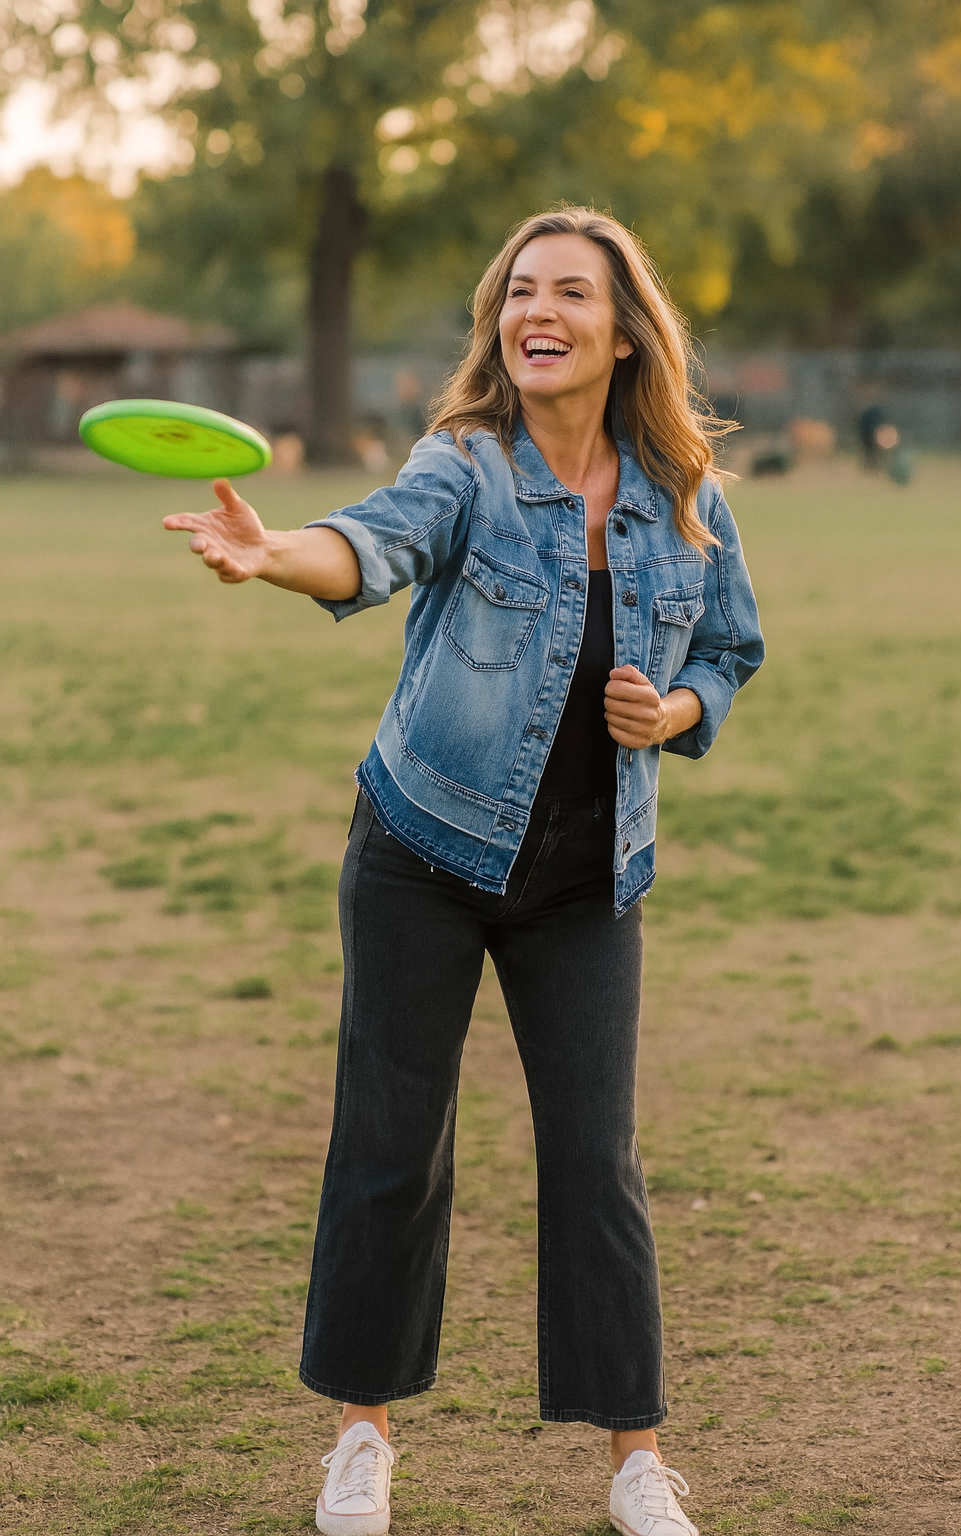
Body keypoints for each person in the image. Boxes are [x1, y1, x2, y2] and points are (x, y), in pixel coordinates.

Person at [164, 207, 764, 1536]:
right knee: (392, 1146)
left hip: (586, 877)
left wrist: (674, 716)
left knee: (596, 1160)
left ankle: (636, 1461)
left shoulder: (686, 502)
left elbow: (729, 650)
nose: (536, 312)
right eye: (517, 294)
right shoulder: (466, 465)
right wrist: (274, 558)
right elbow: (369, 546)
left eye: (569, 294)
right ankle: (362, 1441)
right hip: (423, 849)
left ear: (621, 333)